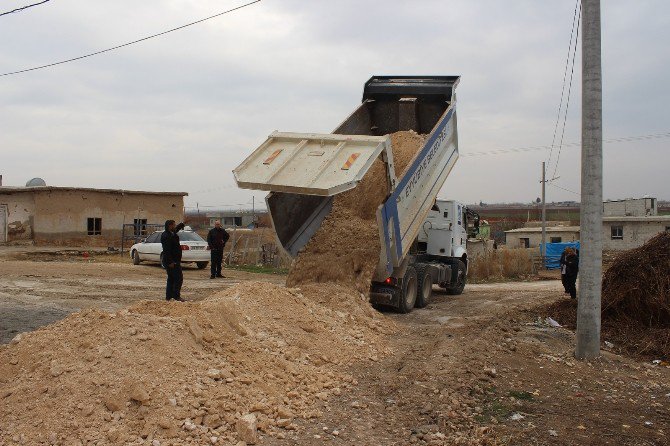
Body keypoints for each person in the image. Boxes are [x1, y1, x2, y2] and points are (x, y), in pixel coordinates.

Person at [161, 219, 186, 301]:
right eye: (174, 225)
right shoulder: (166, 236)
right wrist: (170, 262)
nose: (175, 226)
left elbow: (177, 229)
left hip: (175, 260)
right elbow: (166, 251)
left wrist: (182, 223)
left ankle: (168, 296)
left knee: (171, 278)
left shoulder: (171, 233)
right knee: (178, 278)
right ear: (170, 226)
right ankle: (176, 296)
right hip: (172, 261)